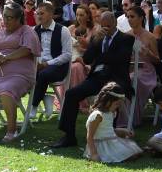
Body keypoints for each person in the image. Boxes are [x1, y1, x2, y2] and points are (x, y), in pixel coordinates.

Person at [52, 12, 135, 149]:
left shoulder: (126, 38)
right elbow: (88, 59)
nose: (105, 28)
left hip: (116, 79)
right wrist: (95, 41)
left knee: (111, 95)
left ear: (115, 23)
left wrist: (101, 57)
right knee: (71, 94)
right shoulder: (98, 38)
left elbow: (119, 59)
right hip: (97, 77)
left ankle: (108, 136)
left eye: (108, 26)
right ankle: (69, 136)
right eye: (103, 26)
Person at [0, 1, 41, 141]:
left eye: (10, 17)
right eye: (4, 16)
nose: (6, 20)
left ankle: (12, 130)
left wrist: (7, 57)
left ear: (18, 19)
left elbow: (27, 49)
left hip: (20, 73)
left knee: (6, 90)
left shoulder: (27, 31)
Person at [30, 1, 71, 118]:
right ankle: (46, 98)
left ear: (51, 14)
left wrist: (47, 64)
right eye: (37, 13)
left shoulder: (63, 30)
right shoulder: (34, 31)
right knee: (24, 74)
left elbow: (67, 55)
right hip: (39, 66)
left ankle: (33, 106)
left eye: (42, 13)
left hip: (58, 66)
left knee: (42, 75)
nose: (39, 16)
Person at [84, 82, 142, 163]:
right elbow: (90, 137)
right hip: (102, 146)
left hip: (111, 141)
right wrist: (94, 154)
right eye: (117, 104)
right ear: (107, 101)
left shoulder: (111, 113)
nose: (118, 107)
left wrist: (123, 130)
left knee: (135, 151)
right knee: (129, 155)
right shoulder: (97, 116)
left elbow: (108, 130)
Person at [126, 7, 160, 127]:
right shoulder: (126, 36)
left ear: (141, 18)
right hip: (129, 68)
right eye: (128, 17)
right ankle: (123, 116)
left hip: (146, 70)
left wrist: (148, 54)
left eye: (132, 16)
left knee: (134, 79)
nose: (129, 19)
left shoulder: (150, 37)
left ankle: (134, 118)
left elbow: (157, 60)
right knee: (123, 79)